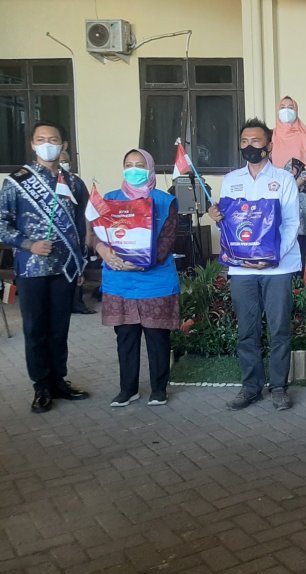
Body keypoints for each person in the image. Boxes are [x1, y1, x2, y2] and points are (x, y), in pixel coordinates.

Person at [209, 118, 301, 411]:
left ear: (269, 145)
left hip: (278, 267)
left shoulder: (284, 180)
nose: (249, 146)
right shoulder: (231, 180)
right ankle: (251, 387)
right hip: (241, 269)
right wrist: (217, 217)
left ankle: (278, 387)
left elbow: (292, 223)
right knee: (247, 330)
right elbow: (230, 225)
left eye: (256, 141)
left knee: (279, 329)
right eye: (245, 141)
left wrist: (271, 258)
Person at [0, 121, 89, 413]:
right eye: (41, 139)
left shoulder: (73, 183)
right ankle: (41, 386)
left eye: (53, 139)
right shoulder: (16, 182)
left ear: (63, 145)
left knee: (59, 329)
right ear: (32, 144)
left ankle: (58, 381)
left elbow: (81, 225)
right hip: (32, 268)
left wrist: (80, 263)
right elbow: (2, 224)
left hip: (65, 268)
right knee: (35, 329)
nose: (47, 144)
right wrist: (28, 244)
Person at [88, 149, 180, 407]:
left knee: (157, 337)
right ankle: (127, 389)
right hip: (120, 281)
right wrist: (103, 250)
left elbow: (168, 239)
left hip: (155, 281)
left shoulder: (165, 201)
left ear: (150, 168)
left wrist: (142, 262)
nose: (134, 169)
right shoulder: (109, 200)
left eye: (140, 165)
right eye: (129, 164)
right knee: (126, 337)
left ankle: (159, 389)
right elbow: (95, 233)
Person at [272, 96, 306, 270]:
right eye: (282, 107)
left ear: (297, 110)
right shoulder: (271, 137)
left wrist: (296, 183)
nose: (286, 110)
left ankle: (299, 277)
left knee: (300, 236)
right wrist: (282, 187)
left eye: (290, 107)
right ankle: (280, 274)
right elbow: (266, 167)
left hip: (302, 192)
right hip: (275, 192)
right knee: (277, 232)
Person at [59, 148, 96, 314]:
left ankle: (77, 303)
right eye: (60, 161)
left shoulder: (76, 183)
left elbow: (87, 209)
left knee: (77, 268)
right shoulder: (45, 185)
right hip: (56, 238)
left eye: (65, 161)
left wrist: (89, 234)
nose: (63, 164)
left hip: (77, 234)